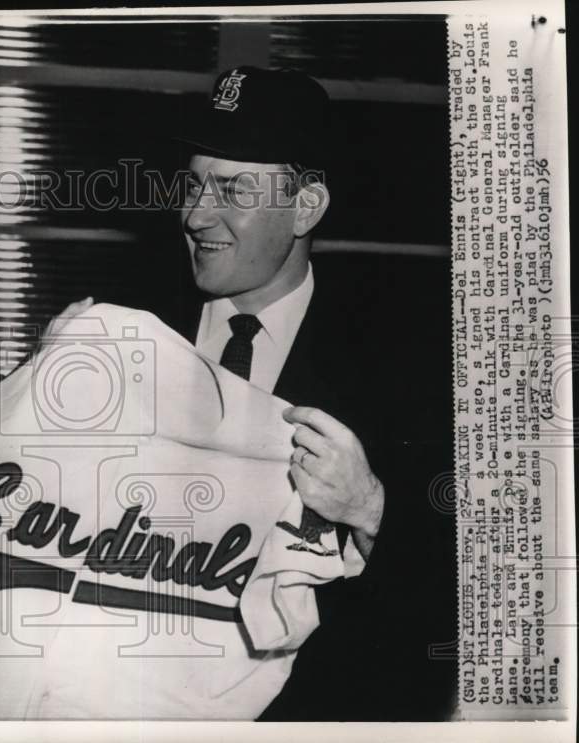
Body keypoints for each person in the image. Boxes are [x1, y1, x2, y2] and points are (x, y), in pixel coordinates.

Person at [171, 66, 456, 720]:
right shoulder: (128, 334)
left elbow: (462, 597)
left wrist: (373, 508)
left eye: (231, 188)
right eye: (191, 183)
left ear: (306, 207)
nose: (194, 213)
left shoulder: (402, 368)